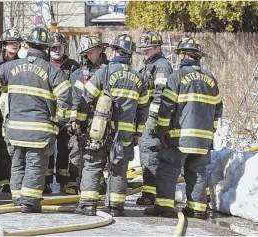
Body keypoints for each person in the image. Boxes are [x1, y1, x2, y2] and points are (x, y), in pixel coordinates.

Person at [0, 27, 72, 213]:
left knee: (17, 163)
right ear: (46, 48)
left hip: (15, 128)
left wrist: (7, 92)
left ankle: (17, 199)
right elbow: (66, 96)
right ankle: (30, 202)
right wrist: (60, 121)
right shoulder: (52, 71)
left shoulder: (11, 67)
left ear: (27, 45)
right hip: (40, 130)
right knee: (35, 164)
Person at [72, 34, 149, 217]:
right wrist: (138, 133)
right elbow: (143, 109)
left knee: (93, 165)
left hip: (101, 131)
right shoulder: (138, 77)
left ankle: (88, 205)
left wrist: (81, 123)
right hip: (125, 134)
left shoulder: (104, 72)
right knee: (119, 169)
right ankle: (116, 206)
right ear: (130, 54)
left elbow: (86, 98)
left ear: (114, 51)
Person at [145, 38, 223, 219]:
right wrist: (210, 131)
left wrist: (162, 130)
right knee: (197, 173)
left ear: (183, 55)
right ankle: (196, 209)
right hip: (203, 140)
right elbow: (218, 108)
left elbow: (166, 106)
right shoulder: (211, 79)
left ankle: (164, 207)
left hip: (179, 138)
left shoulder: (177, 77)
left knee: (167, 170)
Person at [136, 29, 174, 205]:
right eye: (143, 48)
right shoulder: (149, 64)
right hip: (147, 117)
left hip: (155, 119)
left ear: (158, 47)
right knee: (146, 154)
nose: (145, 51)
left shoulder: (161, 66)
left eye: (148, 48)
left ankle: (149, 194)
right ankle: (150, 192)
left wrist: (152, 117)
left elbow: (161, 93)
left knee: (149, 152)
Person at [68, 35, 109, 195]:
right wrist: (74, 120)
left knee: (107, 155)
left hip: (107, 120)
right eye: (87, 53)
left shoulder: (110, 69)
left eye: (92, 51)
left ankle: (105, 185)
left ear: (99, 50)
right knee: (78, 154)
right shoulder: (79, 74)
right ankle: (85, 185)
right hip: (85, 120)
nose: (89, 55)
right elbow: (76, 98)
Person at [44, 31, 80, 194]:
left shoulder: (73, 66)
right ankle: (45, 181)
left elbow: (77, 92)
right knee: (47, 148)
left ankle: (65, 182)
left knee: (65, 149)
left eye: (60, 47)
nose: (57, 50)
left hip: (67, 116)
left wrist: (73, 116)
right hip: (49, 114)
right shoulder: (44, 64)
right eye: (53, 48)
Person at [0, 28, 23, 193]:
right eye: (10, 42)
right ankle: (3, 181)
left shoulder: (23, 64)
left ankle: (16, 180)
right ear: (3, 45)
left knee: (16, 147)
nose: (14, 45)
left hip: (17, 110)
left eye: (16, 42)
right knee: (0, 147)